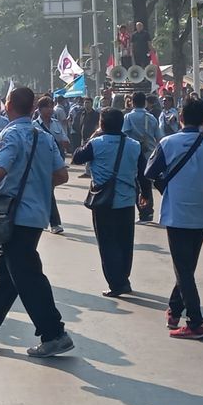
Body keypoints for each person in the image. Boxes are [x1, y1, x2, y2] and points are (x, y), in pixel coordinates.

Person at [0, 87, 74, 358]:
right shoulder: (44, 136)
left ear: (8, 105)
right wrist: (38, 187)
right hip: (36, 214)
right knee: (9, 271)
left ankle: (54, 333)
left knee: (27, 275)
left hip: (13, 214)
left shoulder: (10, 134)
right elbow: (62, 175)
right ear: (32, 108)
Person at [143, 98, 203, 339]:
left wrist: (167, 187)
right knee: (187, 266)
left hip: (176, 212)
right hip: (200, 211)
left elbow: (149, 172)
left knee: (183, 268)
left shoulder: (168, 143)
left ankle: (196, 321)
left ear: (180, 118)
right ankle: (175, 308)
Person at [74, 108, 147, 298]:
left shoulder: (96, 143)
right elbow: (142, 173)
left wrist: (93, 135)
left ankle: (117, 283)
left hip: (103, 202)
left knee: (107, 243)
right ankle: (124, 277)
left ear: (102, 124)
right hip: (127, 200)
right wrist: (145, 194)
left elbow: (76, 157)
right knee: (125, 242)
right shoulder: (134, 145)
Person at [122, 91, 161, 221]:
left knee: (134, 183)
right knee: (146, 183)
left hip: (133, 154)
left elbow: (124, 135)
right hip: (149, 154)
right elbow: (159, 137)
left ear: (132, 102)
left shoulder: (128, 117)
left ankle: (141, 210)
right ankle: (148, 211)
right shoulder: (151, 118)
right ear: (144, 102)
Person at [35, 96, 70, 234]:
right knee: (48, 191)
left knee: (47, 191)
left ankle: (49, 220)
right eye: (46, 107)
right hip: (41, 164)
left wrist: (60, 143)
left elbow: (65, 140)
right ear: (39, 109)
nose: (50, 110)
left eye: (51, 106)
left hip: (56, 162)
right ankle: (54, 222)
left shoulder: (56, 124)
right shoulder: (34, 126)